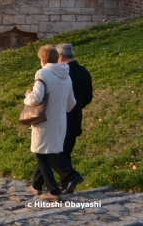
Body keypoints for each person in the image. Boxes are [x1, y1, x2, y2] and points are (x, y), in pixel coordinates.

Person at [24, 45, 78, 202]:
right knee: (47, 153)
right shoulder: (66, 75)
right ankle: (36, 185)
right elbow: (71, 102)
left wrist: (27, 96)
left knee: (41, 154)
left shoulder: (43, 73)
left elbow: (36, 98)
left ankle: (54, 191)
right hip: (60, 120)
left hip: (45, 121)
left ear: (42, 59)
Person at [55, 43, 93, 193]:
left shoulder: (63, 73)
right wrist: (77, 106)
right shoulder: (84, 72)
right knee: (65, 153)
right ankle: (65, 185)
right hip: (76, 116)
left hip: (60, 117)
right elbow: (88, 97)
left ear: (60, 57)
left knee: (53, 153)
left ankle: (71, 177)